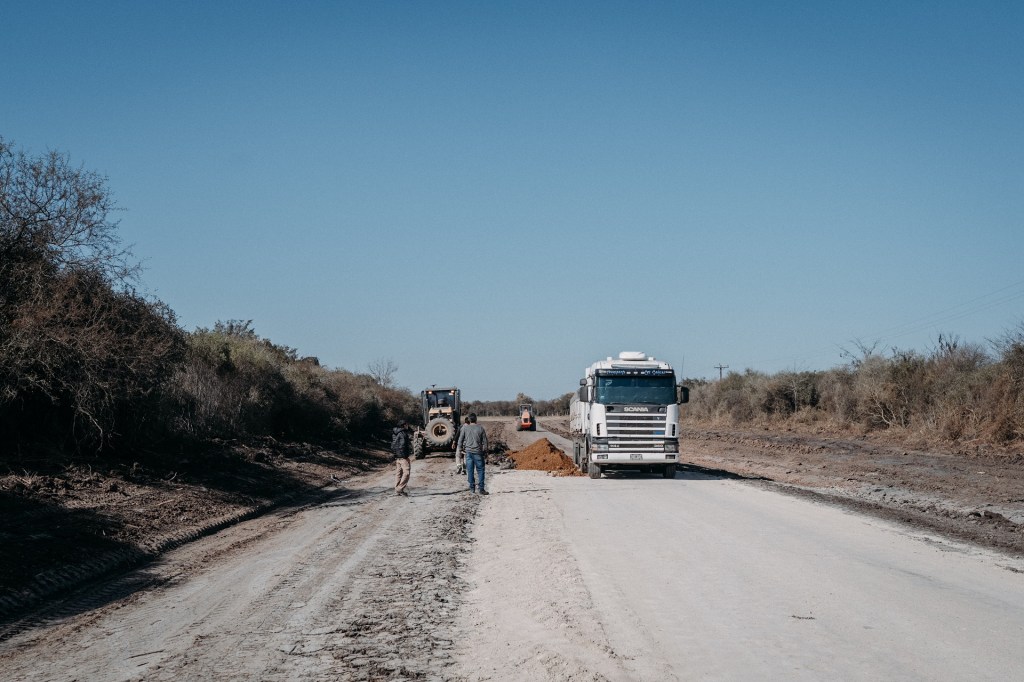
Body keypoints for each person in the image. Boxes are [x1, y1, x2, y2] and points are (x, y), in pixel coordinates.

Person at [455, 413, 488, 494]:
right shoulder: (480, 428)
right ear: (476, 419)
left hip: (468, 453)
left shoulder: (464, 428)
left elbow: (460, 440)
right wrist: (485, 452)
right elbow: (485, 442)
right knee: (480, 470)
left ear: (469, 420)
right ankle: (481, 489)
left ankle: (472, 489)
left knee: (470, 470)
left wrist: (460, 449)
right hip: (478, 453)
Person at [391, 422, 412, 496]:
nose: (408, 426)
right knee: (407, 473)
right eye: (407, 424)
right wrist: (405, 455)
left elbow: (393, 444)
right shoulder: (403, 434)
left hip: (397, 456)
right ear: (404, 425)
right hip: (403, 456)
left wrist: (395, 454)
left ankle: (397, 490)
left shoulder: (395, 433)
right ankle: (399, 489)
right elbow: (403, 445)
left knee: (398, 473)